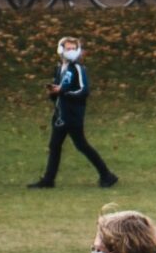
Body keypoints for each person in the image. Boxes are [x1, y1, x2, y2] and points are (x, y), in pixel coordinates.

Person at [28, 36, 117, 191]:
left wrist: (63, 92)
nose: (71, 52)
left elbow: (83, 90)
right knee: (55, 145)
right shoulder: (59, 68)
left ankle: (107, 175)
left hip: (73, 116)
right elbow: (58, 91)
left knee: (82, 145)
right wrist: (54, 93)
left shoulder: (77, 68)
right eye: (67, 48)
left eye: (73, 49)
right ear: (60, 50)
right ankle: (49, 179)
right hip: (60, 116)